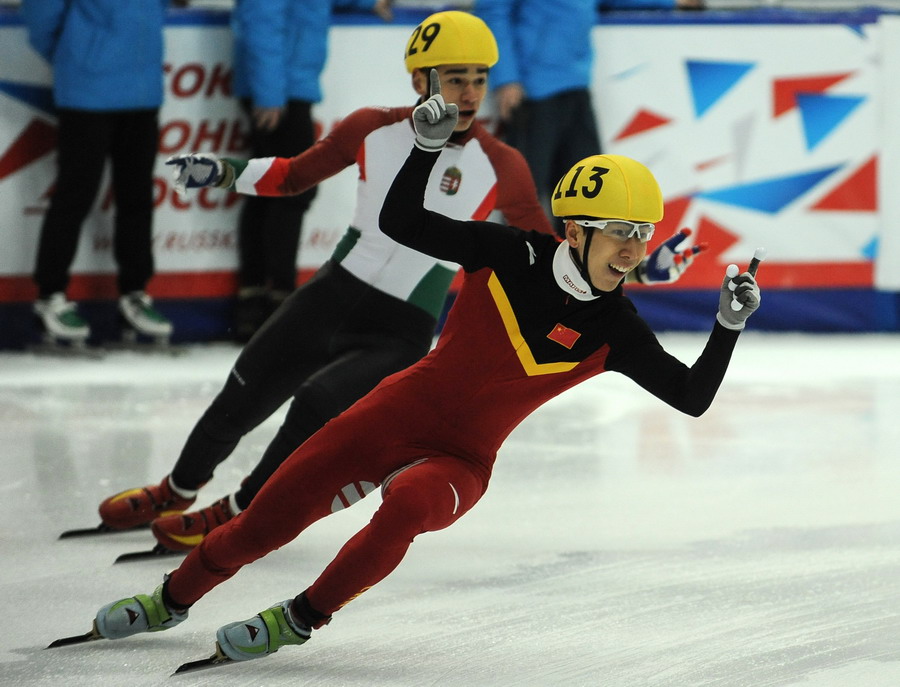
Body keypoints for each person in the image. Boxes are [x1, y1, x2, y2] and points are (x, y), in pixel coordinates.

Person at [83, 70, 760, 666]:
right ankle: (170, 600)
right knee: (264, 523)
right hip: (391, 414)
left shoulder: (619, 329)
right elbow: (403, 219)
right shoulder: (508, 253)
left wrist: (728, 327)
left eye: (642, 235)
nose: (633, 250)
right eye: (621, 233)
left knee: (407, 503)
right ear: (576, 231)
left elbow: (691, 396)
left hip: (461, 461)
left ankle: (300, 617)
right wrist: (427, 148)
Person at [94, 11, 701, 557]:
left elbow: (558, 257)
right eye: (453, 78)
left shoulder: (503, 163)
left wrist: (642, 265)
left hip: (401, 326)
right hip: (332, 292)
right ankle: (173, 490)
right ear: (420, 82)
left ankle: (236, 514)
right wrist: (222, 172)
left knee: (315, 406)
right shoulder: (371, 128)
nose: (469, 94)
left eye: (479, 79)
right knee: (244, 390)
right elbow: (291, 175)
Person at [228, 0, 394, 342]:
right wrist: (270, 92)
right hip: (280, 89)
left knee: (269, 188)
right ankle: (278, 299)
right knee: (289, 188)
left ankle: (256, 297)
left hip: (287, 84)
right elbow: (261, 20)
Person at [20, 0, 174, 346]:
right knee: (75, 195)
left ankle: (134, 293)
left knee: (137, 197)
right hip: (86, 93)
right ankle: (50, 295)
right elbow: (40, 13)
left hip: (142, 89)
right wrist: (75, 54)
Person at [474, 0, 703, 223]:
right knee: (525, 194)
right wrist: (506, 78)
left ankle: (576, 260)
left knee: (586, 194)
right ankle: (517, 260)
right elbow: (493, 11)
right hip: (533, 91)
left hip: (576, 84)